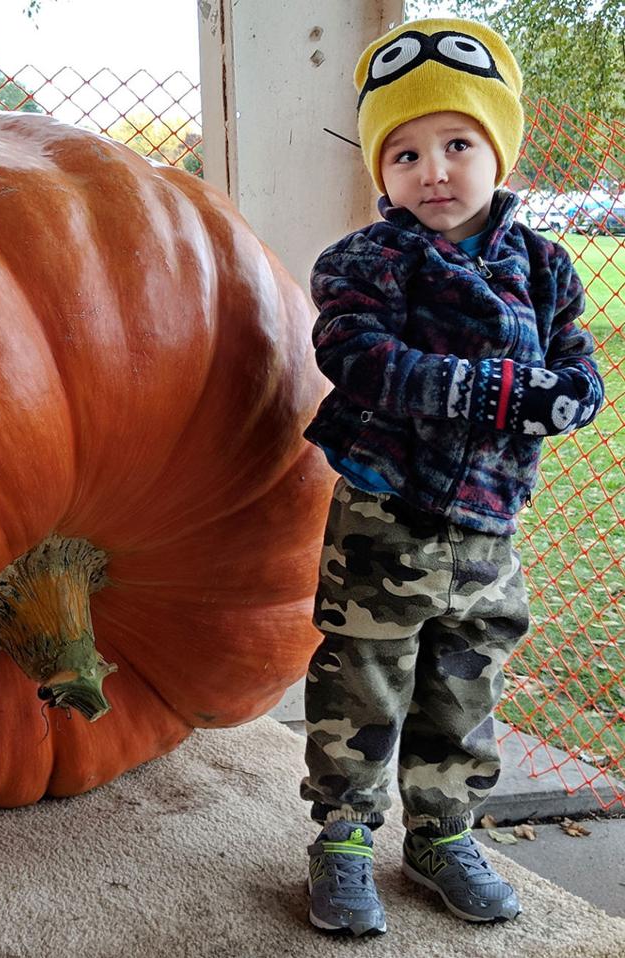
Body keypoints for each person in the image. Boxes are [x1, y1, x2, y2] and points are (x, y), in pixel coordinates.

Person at [298, 17, 605, 937]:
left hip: (488, 527)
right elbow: (359, 357)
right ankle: (344, 837)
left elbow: (578, 373)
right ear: (382, 170)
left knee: (465, 685)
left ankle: (442, 833)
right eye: (405, 153)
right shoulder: (365, 262)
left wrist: (566, 396)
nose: (432, 170)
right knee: (362, 680)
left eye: (457, 145)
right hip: (384, 518)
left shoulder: (545, 267)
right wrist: (498, 391)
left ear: (498, 152)